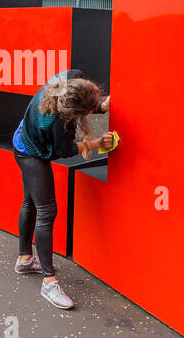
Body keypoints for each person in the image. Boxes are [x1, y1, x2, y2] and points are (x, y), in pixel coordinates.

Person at [11, 70, 113, 309]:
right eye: (91, 107)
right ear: (77, 113)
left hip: (23, 137)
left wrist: (101, 105)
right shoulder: (58, 123)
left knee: (31, 202)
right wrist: (98, 144)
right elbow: (63, 151)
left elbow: (83, 94)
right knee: (47, 212)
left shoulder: (71, 77)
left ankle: (25, 259)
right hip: (30, 153)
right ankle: (49, 282)